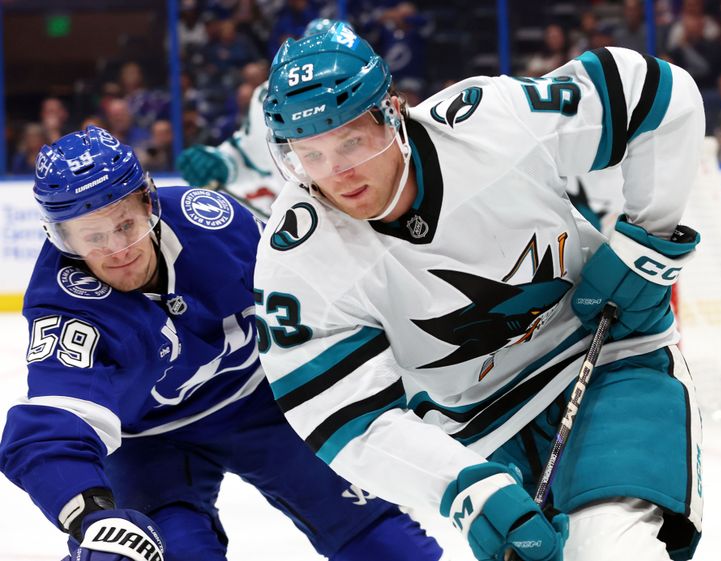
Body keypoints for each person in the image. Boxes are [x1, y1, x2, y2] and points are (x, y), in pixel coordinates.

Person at [255, 24, 705, 561]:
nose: (338, 174)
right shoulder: (297, 260)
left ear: (393, 113)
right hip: (478, 431)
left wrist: (648, 244)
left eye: (351, 140)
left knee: (608, 550)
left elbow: (657, 93)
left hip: (609, 357)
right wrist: (461, 486)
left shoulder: (491, 124)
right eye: (312, 154)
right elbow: (342, 418)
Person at [0, 125, 446, 561]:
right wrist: (90, 515)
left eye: (125, 225)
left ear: (148, 203)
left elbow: (319, 294)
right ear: (63, 239)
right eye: (93, 238)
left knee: (386, 543)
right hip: (149, 444)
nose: (118, 250)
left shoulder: (213, 223)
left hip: (264, 404)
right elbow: (52, 424)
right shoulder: (65, 304)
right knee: (163, 551)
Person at [177, 18, 342, 219]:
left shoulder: (372, 91)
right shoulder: (269, 95)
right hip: (306, 222)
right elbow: (252, 155)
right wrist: (221, 164)